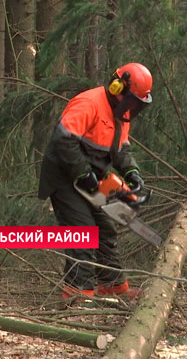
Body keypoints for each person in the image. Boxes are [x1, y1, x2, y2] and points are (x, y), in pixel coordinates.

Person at [38, 63, 153, 301]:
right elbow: (64, 140)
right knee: (82, 231)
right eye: (131, 100)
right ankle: (76, 292)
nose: (132, 107)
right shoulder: (89, 103)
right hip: (64, 176)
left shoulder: (122, 114)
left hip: (92, 178)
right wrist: (83, 173)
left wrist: (132, 172)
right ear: (116, 86)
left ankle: (111, 284)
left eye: (136, 103)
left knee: (104, 229)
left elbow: (120, 147)